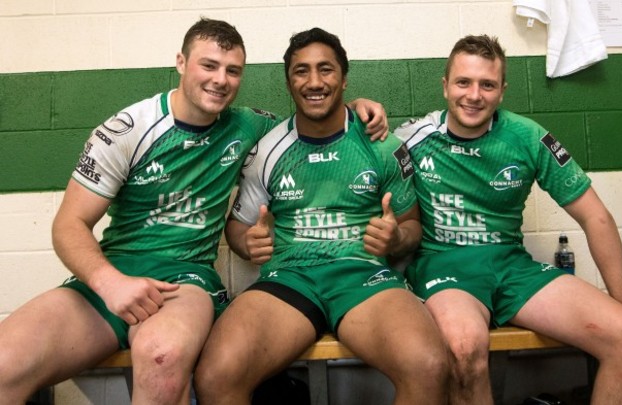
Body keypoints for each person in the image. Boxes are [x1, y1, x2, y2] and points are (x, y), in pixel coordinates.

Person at [0, 18, 388, 405]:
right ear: (181, 63)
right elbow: (68, 224)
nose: (220, 80)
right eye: (209, 65)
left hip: (184, 280)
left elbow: (315, 116)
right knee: (5, 363)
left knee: (161, 355)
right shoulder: (128, 129)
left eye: (232, 71)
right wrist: (110, 283)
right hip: (112, 275)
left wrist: (354, 109)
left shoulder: (247, 125)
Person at [193, 27, 450, 405]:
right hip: (291, 280)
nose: (314, 82)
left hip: (364, 278)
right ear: (288, 81)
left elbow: (412, 224)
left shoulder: (381, 144)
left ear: (344, 78)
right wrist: (246, 242)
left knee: (428, 365)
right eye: (301, 71)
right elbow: (237, 228)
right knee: (217, 375)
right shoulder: (267, 149)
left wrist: (396, 239)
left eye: (326, 69)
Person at [394, 34, 622, 404]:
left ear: (502, 91)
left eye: (488, 85)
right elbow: (352, 135)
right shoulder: (413, 137)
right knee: (464, 349)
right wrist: (358, 104)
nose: (474, 95)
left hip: (511, 265)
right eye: (463, 82)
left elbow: (596, 217)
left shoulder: (527, 136)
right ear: (445, 85)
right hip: (444, 266)